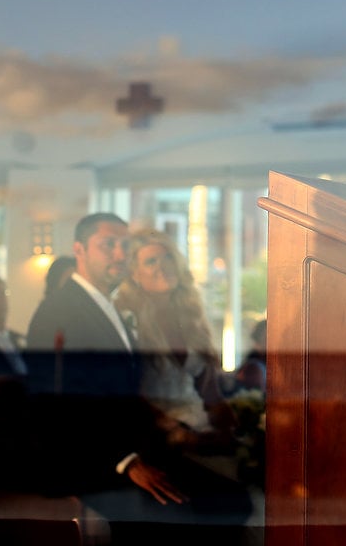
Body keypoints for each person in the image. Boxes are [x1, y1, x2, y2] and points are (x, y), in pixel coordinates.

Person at [25, 213, 251, 541]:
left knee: (232, 500)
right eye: (108, 245)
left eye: (124, 245)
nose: (119, 254)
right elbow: (56, 406)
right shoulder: (58, 312)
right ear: (80, 249)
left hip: (133, 448)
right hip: (86, 461)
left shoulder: (110, 310)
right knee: (173, 514)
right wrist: (126, 462)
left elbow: (126, 395)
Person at [113, 228, 237, 449]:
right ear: (134, 274)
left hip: (199, 435)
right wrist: (178, 433)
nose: (162, 266)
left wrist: (234, 427)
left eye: (168, 257)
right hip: (153, 441)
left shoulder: (192, 317)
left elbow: (211, 395)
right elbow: (124, 396)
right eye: (151, 261)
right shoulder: (126, 320)